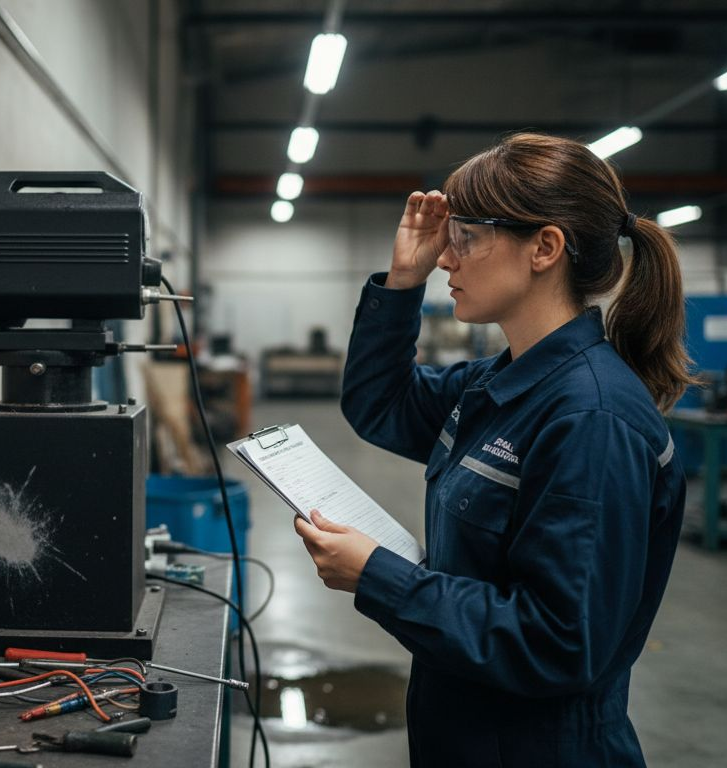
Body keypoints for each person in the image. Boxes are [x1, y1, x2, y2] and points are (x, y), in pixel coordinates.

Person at [293, 132, 692, 767]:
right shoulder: (496, 384)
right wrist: (403, 281)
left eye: (467, 238)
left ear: (545, 247)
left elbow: (557, 643)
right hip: (467, 733)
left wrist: (380, 577)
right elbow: (380, 403)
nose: (447, 260)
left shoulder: (591, 418)